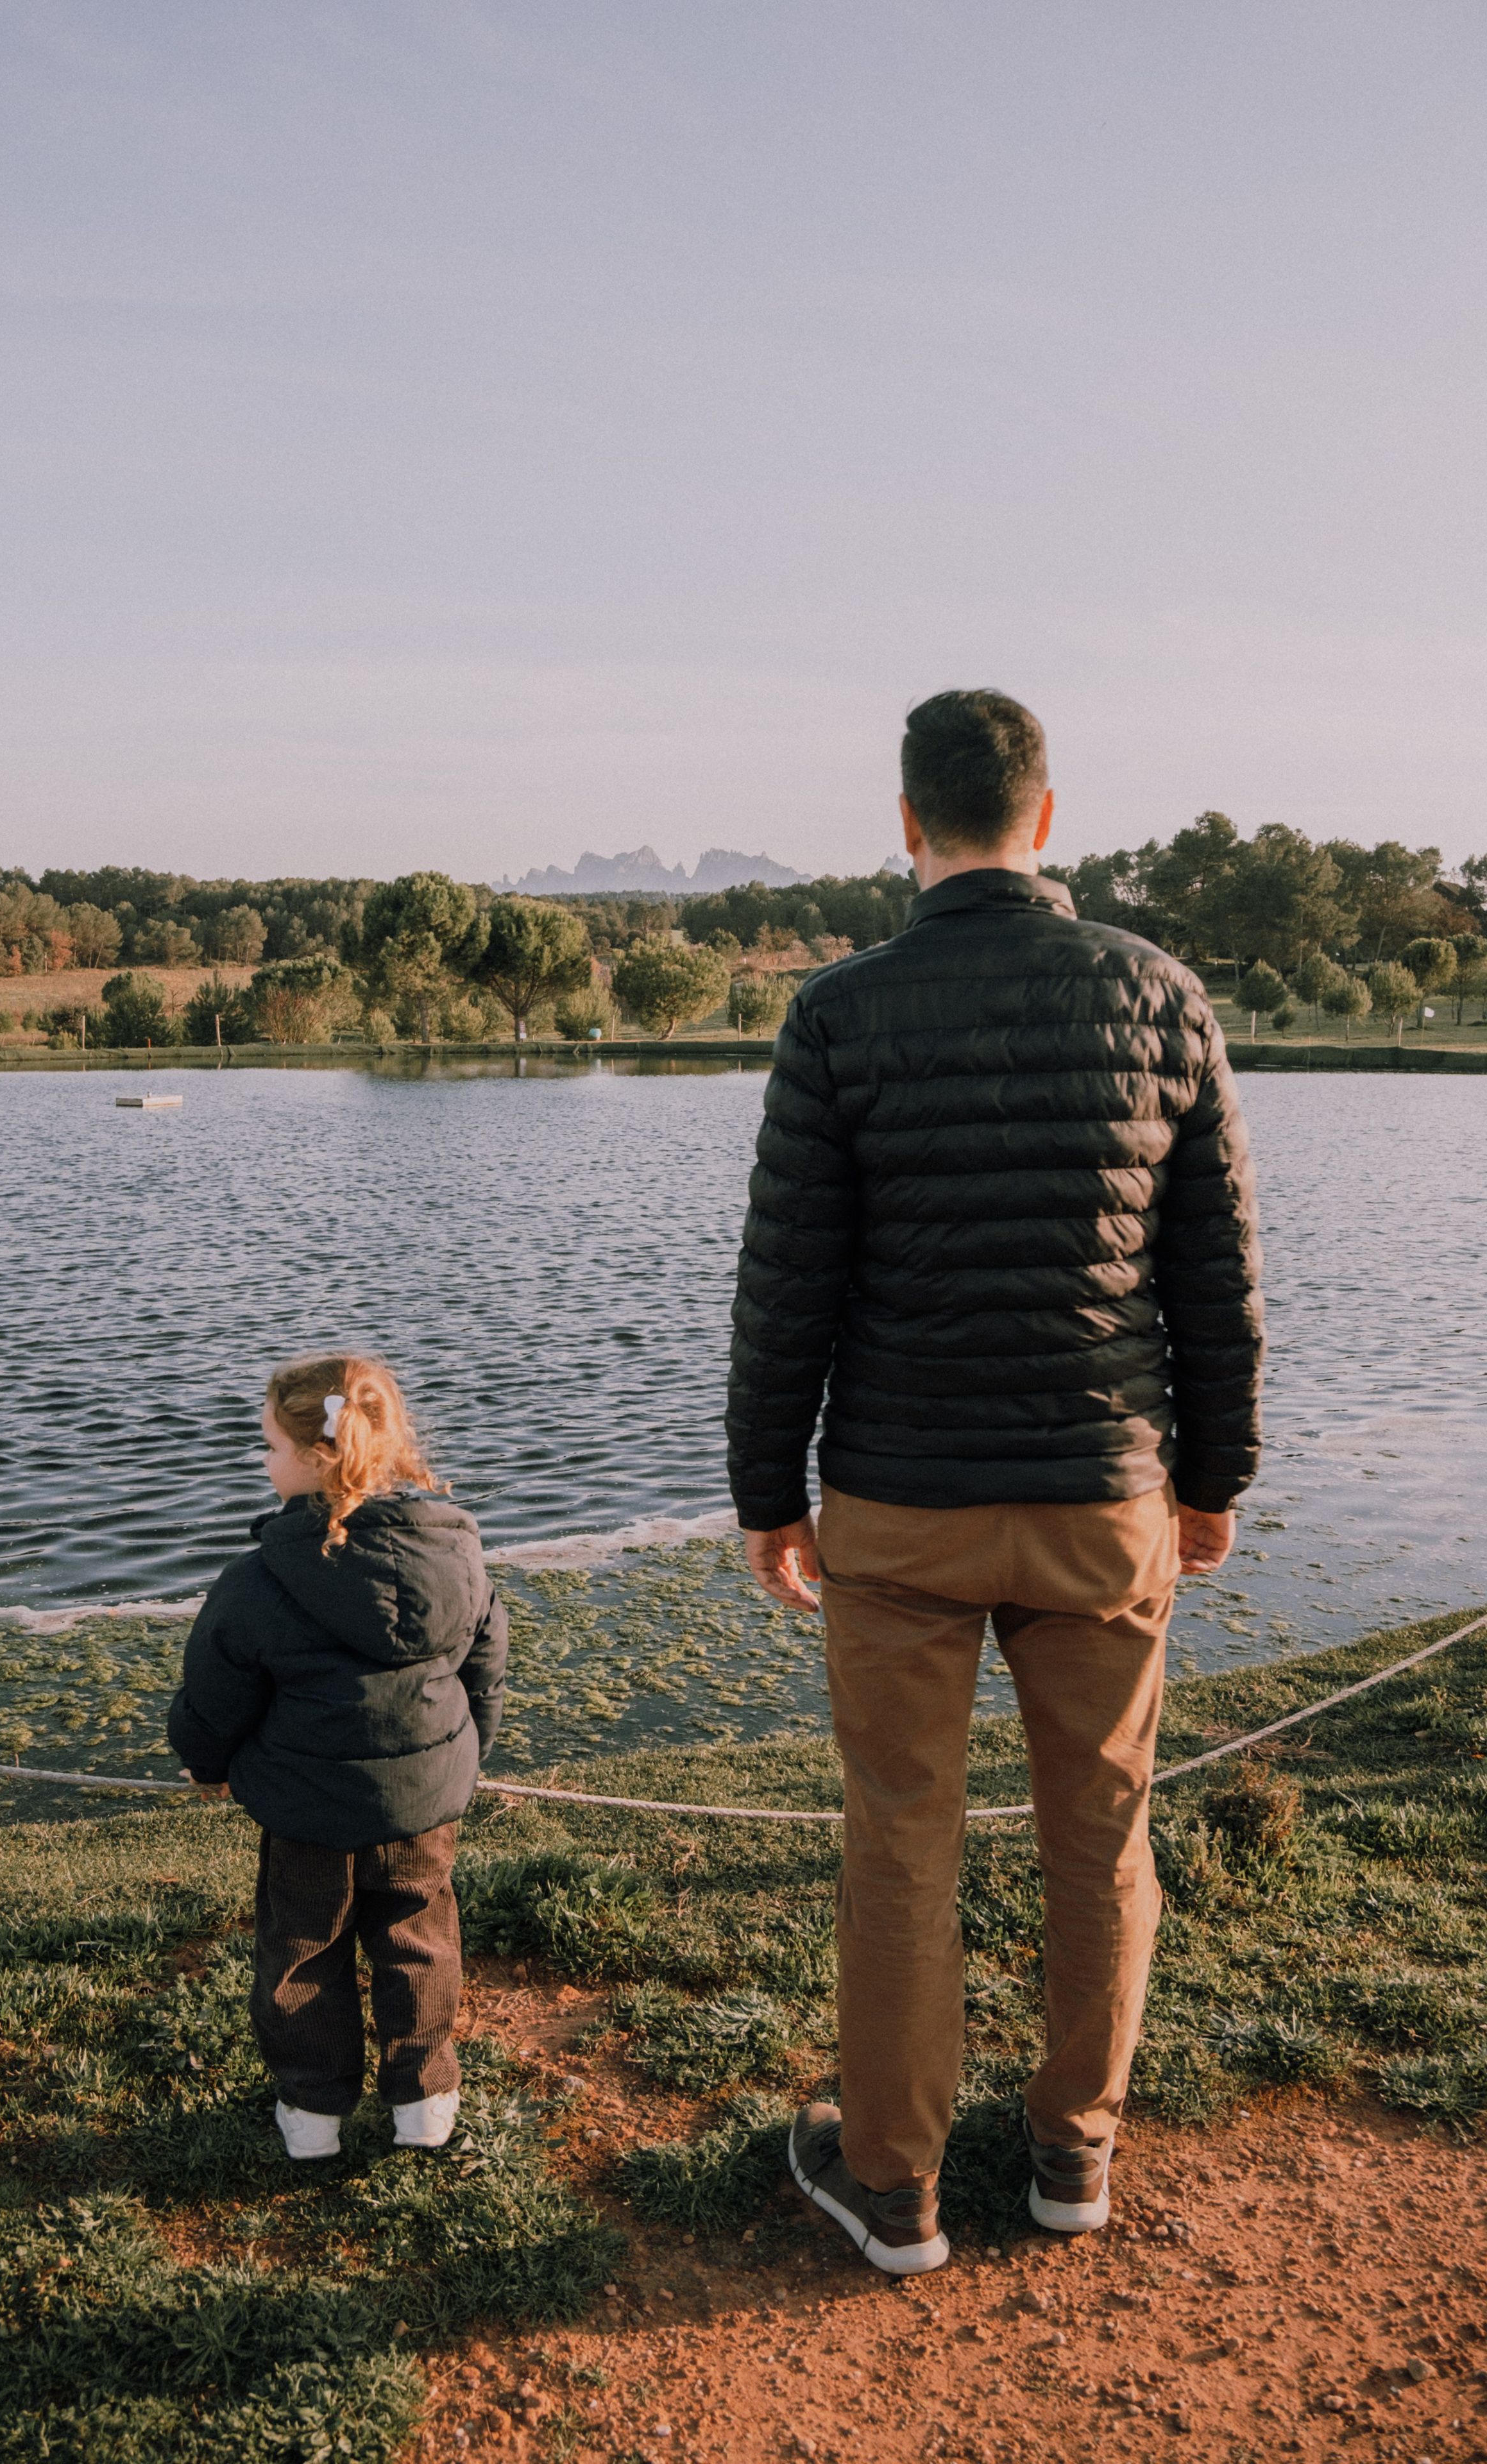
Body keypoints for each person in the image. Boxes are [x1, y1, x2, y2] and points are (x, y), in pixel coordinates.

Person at [726, 689, 1263, 2275]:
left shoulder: (835, 1012)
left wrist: (768, 1492)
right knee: (1099, 1831)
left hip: (896, 1500)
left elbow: (786, 1286)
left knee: (900, 1836)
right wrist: (1212, 1476)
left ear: (907, 823)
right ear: (1044, 816)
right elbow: (1214, 1280)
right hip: (1103, 1495)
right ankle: (1069, 2154)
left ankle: (889, 2183)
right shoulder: (1158, 994)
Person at [169, 1352, 507, 2161]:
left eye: (269, 1448)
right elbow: (484, 1663)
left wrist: (205, 1761)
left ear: (318, 1458)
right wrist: (463, 1755)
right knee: (418, 1940)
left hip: (307, 1810)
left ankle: (314, 2116)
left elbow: (215, 1693)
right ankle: (424, 2105)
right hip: (422, 1804)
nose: (262, 1461)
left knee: (303, 1947)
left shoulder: (258, 1579)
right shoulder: (454, 1552)